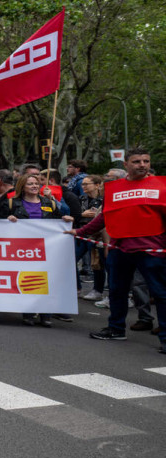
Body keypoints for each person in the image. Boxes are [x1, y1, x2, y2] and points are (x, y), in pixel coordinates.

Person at [74, 148, 166, 353]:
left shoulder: (162, 185)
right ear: (126, 165)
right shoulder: (113, 188)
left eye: (146, 161)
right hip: (120, 248)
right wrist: (80, 231)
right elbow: (104, 217)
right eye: (136, 161)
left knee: (161, 294)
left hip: (153, 250)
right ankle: (116, 329)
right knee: (117, 291)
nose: (142, 165)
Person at [0, 171, 69, 328]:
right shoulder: (12, 203)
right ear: (22, 186)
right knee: (28, 279)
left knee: (46, 280)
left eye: (36, 183)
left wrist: (65, 218)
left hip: (46, 249)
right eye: (30, 184)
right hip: (22, 250)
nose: (34, 186)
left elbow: (59, 220)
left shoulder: (49, 203)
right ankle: (28, 312)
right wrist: (7, 219)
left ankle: (46, 314)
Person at [78, 175, 107, 303]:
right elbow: (74, 213)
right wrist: (81, 214)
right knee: (76, 259)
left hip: (98, 236)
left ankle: (100, 291)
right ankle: (83, 288)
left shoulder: (103, 200)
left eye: (86, 184)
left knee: (100, 264)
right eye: (82, 184)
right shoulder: (81, 199)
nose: (83, 186)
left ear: (97, 185)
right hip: (82, 234)